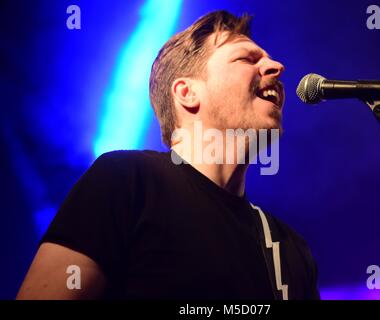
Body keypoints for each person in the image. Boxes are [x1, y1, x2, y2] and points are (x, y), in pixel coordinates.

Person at [17, 10, 320, 300]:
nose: (276, 67)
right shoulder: (125, 182)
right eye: (247, 58)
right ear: (187, 93)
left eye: (269, 59)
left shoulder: (288, 248)